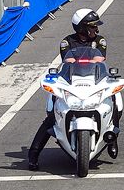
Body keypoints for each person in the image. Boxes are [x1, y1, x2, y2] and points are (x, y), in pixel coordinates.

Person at [27, 9, 112, 170]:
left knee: (114, 100)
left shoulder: (100, 40)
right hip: (70, 80)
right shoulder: (67, 41)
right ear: (82, 28)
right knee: (51, 115)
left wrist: (84, 60)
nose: (96, 30)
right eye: (93, 27)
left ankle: (112, 139)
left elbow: (99, 58)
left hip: (94, 79)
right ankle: (33, 154)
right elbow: (69, 60)